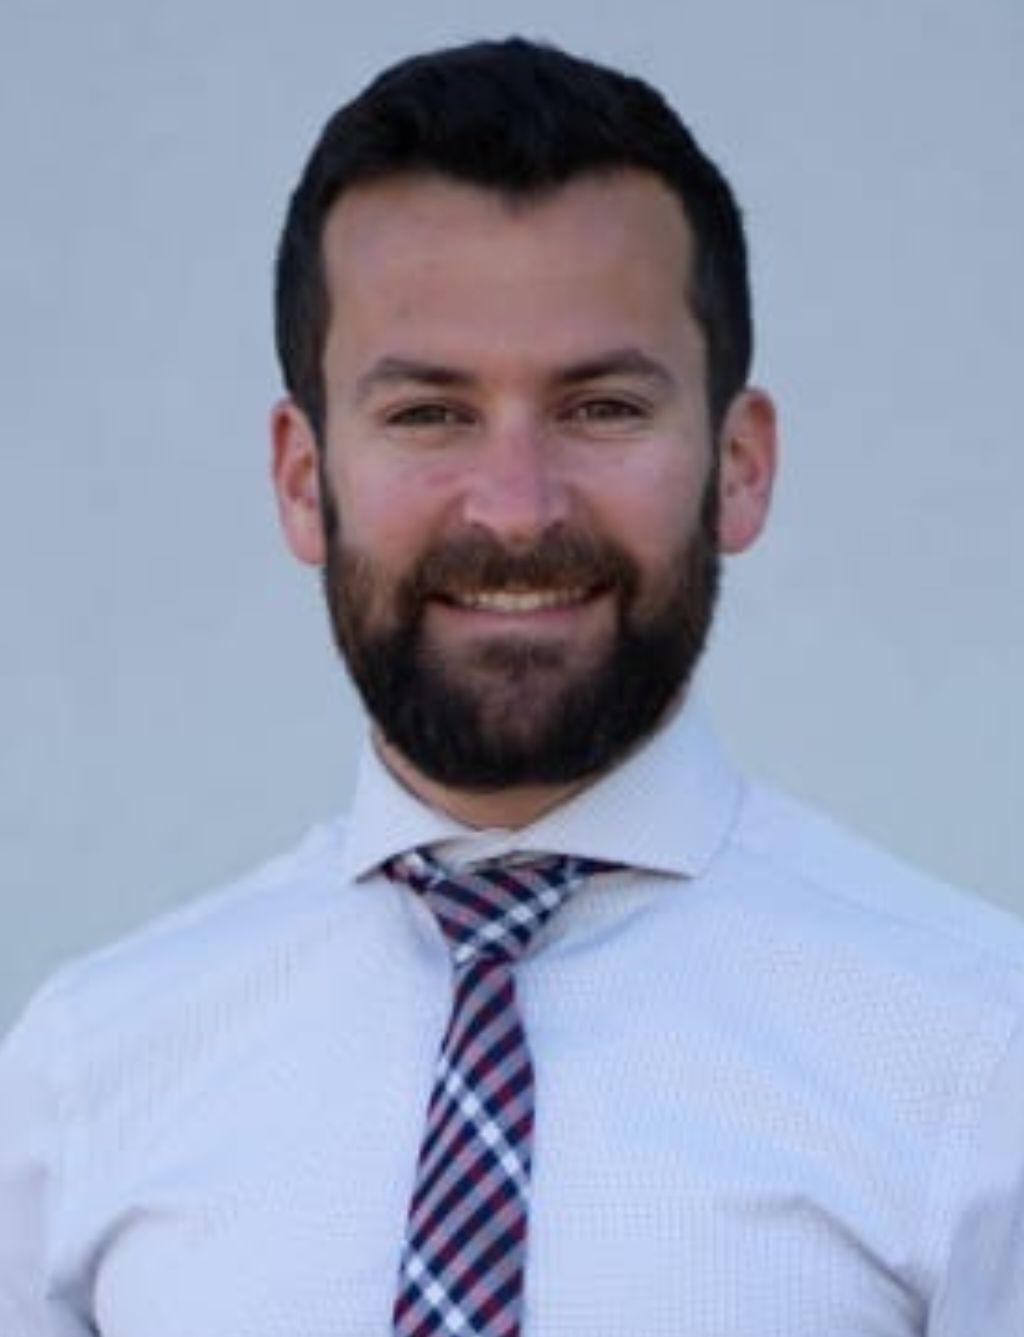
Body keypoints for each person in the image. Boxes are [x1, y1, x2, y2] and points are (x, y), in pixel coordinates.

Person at [1, 37, 1021, 1337]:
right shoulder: (85, 1079)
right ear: (303, 480)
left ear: (741, 465)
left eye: (602, 408)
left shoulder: (983, 1060)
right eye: (428, 413)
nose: (518, 508)